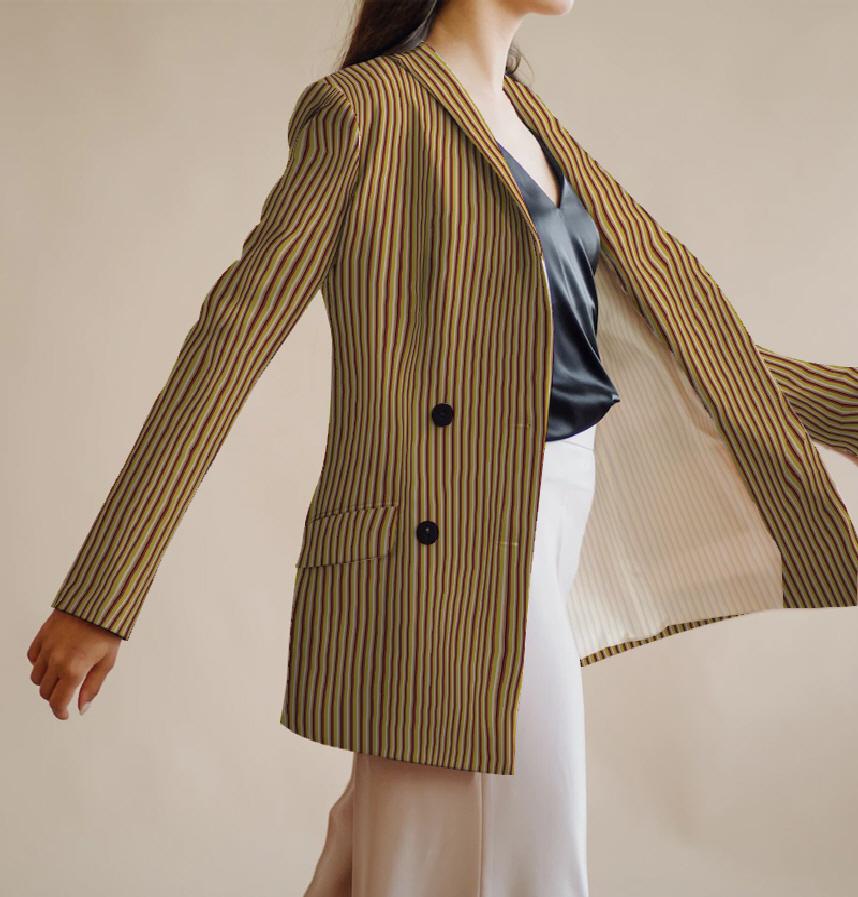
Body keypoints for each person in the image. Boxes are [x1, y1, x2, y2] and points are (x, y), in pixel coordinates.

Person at [27, 1, 858, 895]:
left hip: (550, 510)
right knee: (518, 854)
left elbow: (657, 344)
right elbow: (231, 342)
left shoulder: (532, 123)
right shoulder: (365, 111)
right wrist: (104, 593)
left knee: (411, 854)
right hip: (443, 542)